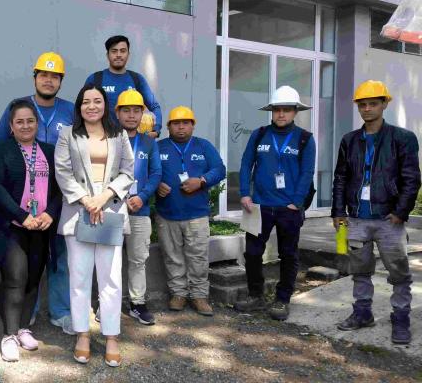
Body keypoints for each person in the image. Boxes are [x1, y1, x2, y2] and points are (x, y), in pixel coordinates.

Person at [0, 51, 76, 335]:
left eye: (54, 76)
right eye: (44, 75)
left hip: (58, 199)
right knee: (27, 262)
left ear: (61, 81)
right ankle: (27, 316)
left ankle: (61, 312)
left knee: (60, 257)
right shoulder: (19, 107)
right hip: (23, 207)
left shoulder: (71, 110)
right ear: (35, 77)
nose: (48, 81)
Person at [332, 80, 420, 344]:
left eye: (373, 103)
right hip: (356, 218)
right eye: (363, 104)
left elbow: (411, 178)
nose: (367, 108)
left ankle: (401, 317)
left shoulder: (402, 138)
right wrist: (338, 212)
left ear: (384, 104)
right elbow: (341, 178)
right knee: (360, 270)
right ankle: (362, 313)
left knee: (399, 272)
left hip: (387, 219)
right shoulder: (349, 140)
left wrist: (400, 212)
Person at [54, 84, 134, 367]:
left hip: (110, 208)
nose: (91, 106)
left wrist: (103, 197)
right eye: (85, 101)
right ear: (79, 107)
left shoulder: (119, 134)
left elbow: (128, 171)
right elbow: (62, 172)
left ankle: (111, 336)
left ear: (105, 105)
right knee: (79, 279)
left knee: (111, 278)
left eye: (97, 101)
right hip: (79, 211)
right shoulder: (68, 135)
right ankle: (83, 335)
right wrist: (87, 201)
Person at [0, 99, 60, 362]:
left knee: (33, 279)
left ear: (37, 124)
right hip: (12, 227)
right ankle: (8, 335)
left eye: (30, 121)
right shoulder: (2, 151)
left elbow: (61, 188)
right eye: (20, 121)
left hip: (41, 226)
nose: (25, 125)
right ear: (11, 125)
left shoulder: (50, 151)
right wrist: (21, 215)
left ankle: (23, 328)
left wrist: (50, 212)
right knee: (15, 278)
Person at [235, 86, 316, 321]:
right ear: (271, 111)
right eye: (277, 109)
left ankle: (282, 299)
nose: (281, 114)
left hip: (288, 208)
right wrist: (244, 193)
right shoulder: (259, 134)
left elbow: (307, 172)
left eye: (286, 110)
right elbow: (245, 163)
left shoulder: (304, 139)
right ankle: (256, 295)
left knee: (288, 254)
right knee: (252, 253)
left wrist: (297, 202)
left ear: (295, 112)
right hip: (258, 206)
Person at [156, 106, 226, 316]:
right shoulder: (159, 147)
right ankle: (178, 294)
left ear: (193, 125)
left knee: (198, 257)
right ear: (168, 126)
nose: (181, 127)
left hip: (197, 214)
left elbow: (220, 169)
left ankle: (199, 296)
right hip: (167, 213)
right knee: (172, 256)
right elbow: (147, 171)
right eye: (176, 123)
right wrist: (157, 183)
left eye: (185, 123)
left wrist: (202, 181)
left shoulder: (203, 146)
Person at [115, 89, 162, 324]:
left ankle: (137, 303)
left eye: (136, 110)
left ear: (142, 114)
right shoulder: (110, 139)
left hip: (140, 209)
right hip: (114, 209)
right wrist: (118, 198)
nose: (131, 115)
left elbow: (156, 173)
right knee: (110, 259)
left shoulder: (148, 142)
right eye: (126, 110)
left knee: (138, 259)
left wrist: (142, 197)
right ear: (118, 113)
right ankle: (108, 303)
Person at [84, 35, 163, 137]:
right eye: (114, 51)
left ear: (128, 54)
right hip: (101, 141)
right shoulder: (95, 79)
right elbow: (81, 108)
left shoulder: (137, 79)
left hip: (131, 142)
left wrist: (156, 130)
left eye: (122, 51)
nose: (118, 55)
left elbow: (155, 106)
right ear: (107, 55)